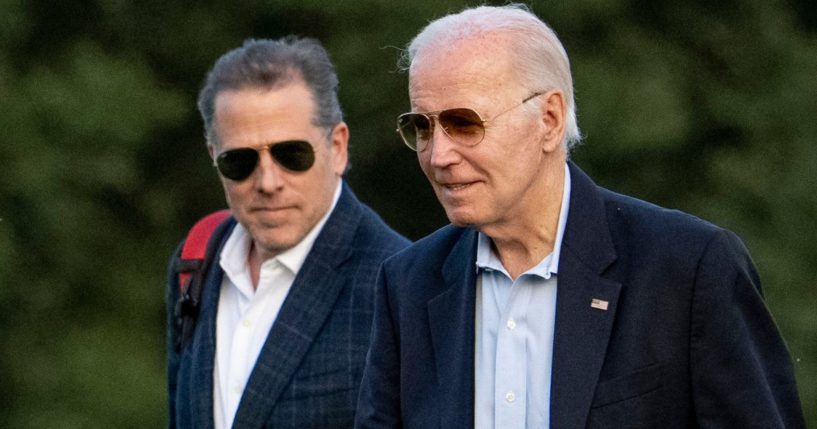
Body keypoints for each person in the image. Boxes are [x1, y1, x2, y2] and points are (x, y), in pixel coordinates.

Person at [355, 4, 805, 428]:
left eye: (464, 123)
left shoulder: (688, 269)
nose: (438, 155)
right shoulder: (408, 284)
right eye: (422, 127)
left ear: (549, 119)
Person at [166, 37, 409, 429]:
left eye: (291, 154)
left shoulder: (399, 284)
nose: (267, 181)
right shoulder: (195, 262)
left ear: (338, 147)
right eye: (240, 160)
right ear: (214, 156)